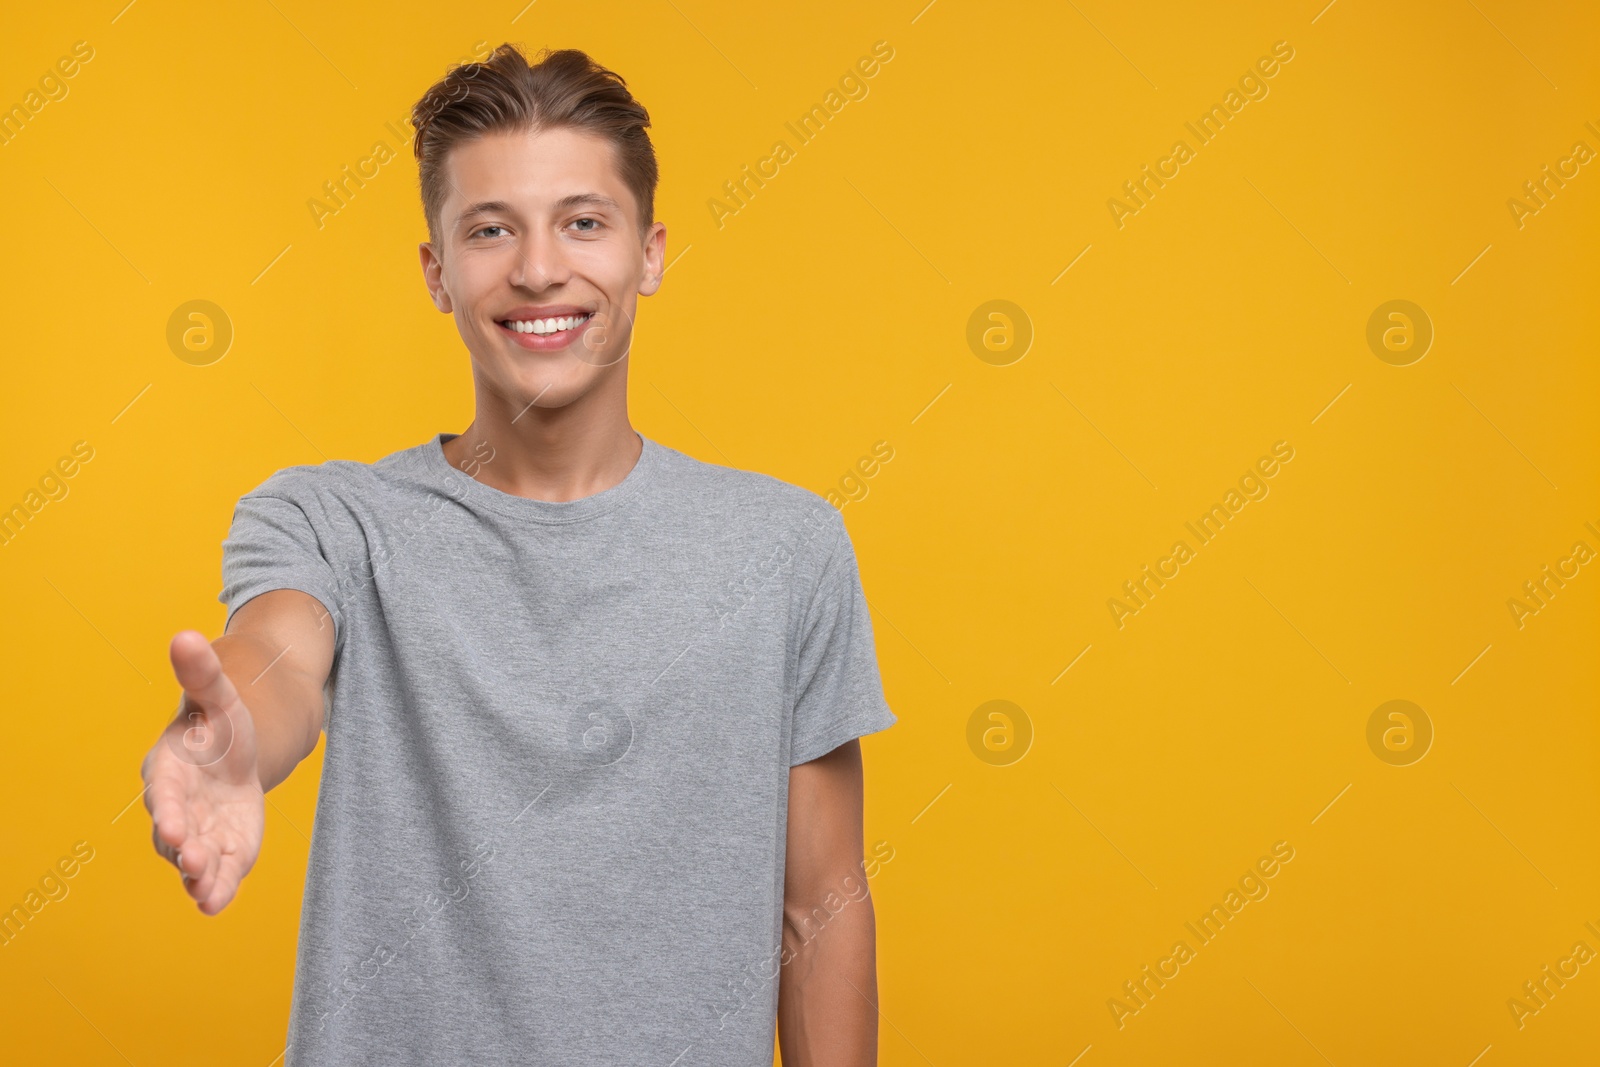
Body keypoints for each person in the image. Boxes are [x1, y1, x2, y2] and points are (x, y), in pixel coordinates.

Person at [138, 42, 897, 1066]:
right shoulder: (333, 517)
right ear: (437, 272)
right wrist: (235, 735)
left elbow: (821, 906)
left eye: (584, 222)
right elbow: (279, 654)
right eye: (490, 230)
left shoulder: (786, 547)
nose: (539, 267)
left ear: (650, 252)